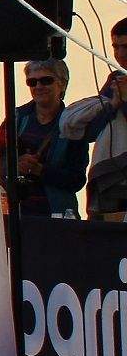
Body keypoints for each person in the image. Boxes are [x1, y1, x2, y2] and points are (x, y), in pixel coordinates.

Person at [1, 59, 84, 218]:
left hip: (57, 215)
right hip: (17, 215)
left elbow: (77, 179)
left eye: (46, 80)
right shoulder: (16, 118)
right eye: (32, 82)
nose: (38, 86)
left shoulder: (73, 123)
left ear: (62, 84)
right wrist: (15, 165)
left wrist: (40, 170)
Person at [61, 22, 127, 217]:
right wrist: (114, 104)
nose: (120, 54)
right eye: (116, 47)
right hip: (113, 178)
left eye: (126, 47)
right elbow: (93, 131)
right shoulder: (116, 78)